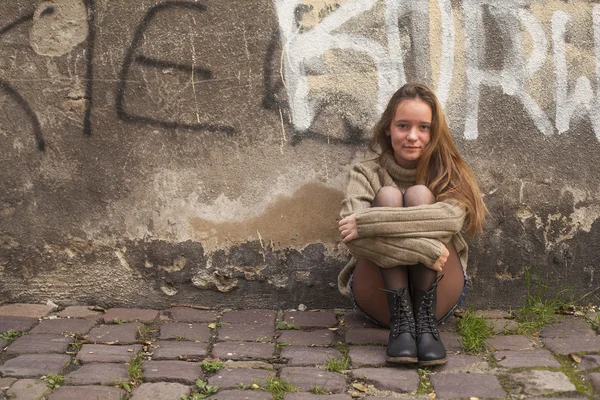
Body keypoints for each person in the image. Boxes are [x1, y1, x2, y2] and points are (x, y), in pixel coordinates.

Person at [337, 83, 486, 366]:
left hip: (440, 294)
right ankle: (402, 325)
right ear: (387, 129)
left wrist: (370, 223)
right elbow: (350, 234)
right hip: (378, 297)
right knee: (389, 196)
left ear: (434, 132)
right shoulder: (365, 172)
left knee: (419, 194)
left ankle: (425, 325)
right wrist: (425, 248)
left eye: (424, 128)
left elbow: (451, 218)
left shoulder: (446, 172)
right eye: (403, 126)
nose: (413, 137)